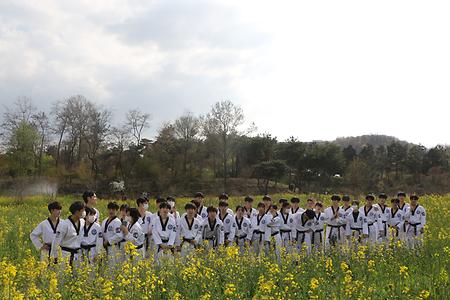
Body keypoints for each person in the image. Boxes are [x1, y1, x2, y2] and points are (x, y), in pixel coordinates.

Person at [51, 201, 86, 268]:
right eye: (83, 210)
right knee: (64, 276)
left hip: (78, 254)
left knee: (77, 277)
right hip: (65, 254)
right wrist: (54, 256)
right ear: (77, 212)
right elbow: (56, 241)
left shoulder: (83, 222)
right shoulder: (64, 224)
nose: (84, 212)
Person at [101, 202, 123, 266]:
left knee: (112, 267)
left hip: (113, 248)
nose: (111, 211)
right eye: (109, 209)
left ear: (116, 211)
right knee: (104, 266)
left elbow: (119, 236)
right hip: (104, 247)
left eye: (113, 210)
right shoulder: (104, 221)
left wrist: (108, 241)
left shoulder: (117, 222)